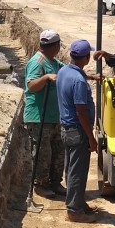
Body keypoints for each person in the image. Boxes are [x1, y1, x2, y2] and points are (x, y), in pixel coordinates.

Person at [57, 39, 99, 223]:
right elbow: (81, 112)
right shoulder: (79, 81)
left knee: (71, 168)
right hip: (78, 130)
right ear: (87, 57)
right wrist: (91, 138)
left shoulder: (64, 71)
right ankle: (74, 210)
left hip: (67, 128)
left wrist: (90, 77)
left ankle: (79, 203)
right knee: (77, 171)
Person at [24, 30, 66, 199]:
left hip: (54, 116)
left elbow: (68, 72)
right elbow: (32, 86)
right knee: (43, 153)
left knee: (58, 151)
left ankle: (55, 182)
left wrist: (90, 76)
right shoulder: (37, 63)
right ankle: (41, 185)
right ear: (55, 46)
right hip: (39, 118)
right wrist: (46, 77)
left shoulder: (54, 61)